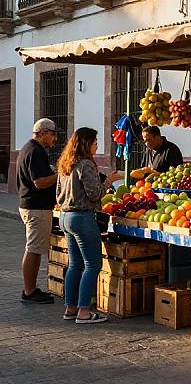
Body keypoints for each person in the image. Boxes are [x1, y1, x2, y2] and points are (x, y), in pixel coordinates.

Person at [56, 127, 122, 324]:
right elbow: (94, 194)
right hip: (82, 218)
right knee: (93, 264)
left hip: (65, 216)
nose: (97, 145)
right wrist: (109, 181)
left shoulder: (65, 164)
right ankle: (84, 311)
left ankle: (70, 308)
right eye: (94, 142)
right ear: (86, 144)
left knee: (75, 264)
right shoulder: (86, 164)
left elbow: (58, 196)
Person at [16, 118, 59, 304]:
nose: (55, 138)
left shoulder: (29, 148)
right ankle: (29, 291)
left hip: (32, 206)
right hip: (36, 208)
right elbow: (40, 182)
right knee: (33, 250)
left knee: (34, 248)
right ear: (42, 133)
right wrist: (60, 175)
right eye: (52, 134)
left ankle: (31, 289)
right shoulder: (35, 151)